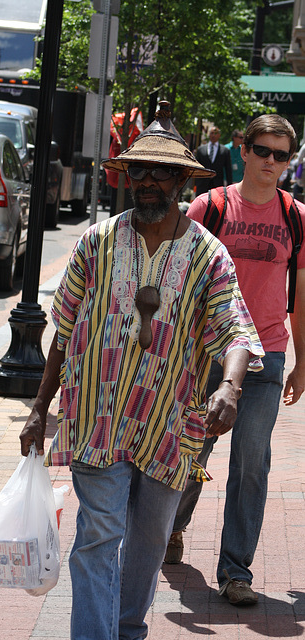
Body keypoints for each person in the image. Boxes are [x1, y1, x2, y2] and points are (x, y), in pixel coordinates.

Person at [19, 101, 264, 640]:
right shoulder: (96, 243)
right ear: (125, 176)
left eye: (161, 172)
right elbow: (63, 330)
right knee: (99, 534)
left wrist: (229, 386)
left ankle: (127, 628)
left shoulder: (208, 255)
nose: (147, 182)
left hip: (171, 422)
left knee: (151, 539)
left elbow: (236, 329)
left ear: (180, 179)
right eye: (138, 171)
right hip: (97, 413)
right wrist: (40, 408)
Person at [165, 113, 305, 607]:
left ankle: (235, 571)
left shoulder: (296, 216)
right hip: (206, 350)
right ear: (244, 149)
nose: (271, 162)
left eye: (281, 155)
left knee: (252, 463)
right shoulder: (212, 205)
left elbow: (301, 295)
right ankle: (172, 527)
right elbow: (179, 276)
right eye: (263, 150)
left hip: (266, 351)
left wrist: (302, 360)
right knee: (191, 450)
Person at [195, 125, 232, 196]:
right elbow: (197, 167)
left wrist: (228, 188)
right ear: (209, 134)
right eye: (211, 133)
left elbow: (228, 170)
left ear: (219, 135)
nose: (213, 135)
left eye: (215, 133)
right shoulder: (201, 150)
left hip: (217, 186)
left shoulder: (225, 151)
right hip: (202, 186)